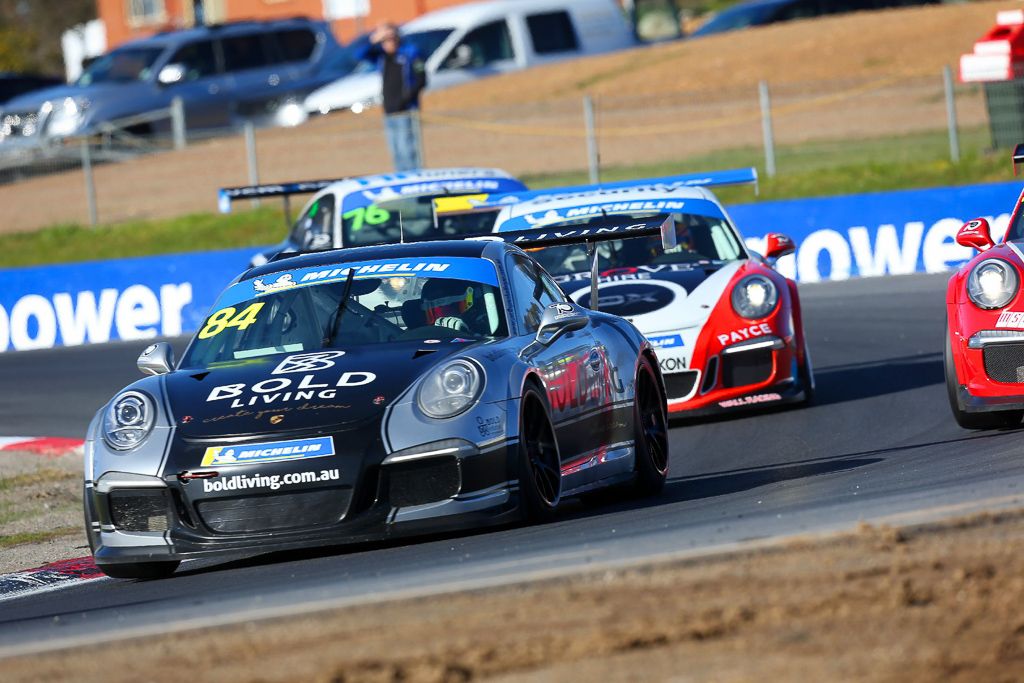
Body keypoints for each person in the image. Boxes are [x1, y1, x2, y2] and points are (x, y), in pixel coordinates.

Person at [359, 22, 427, 172]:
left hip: (406, 111)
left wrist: (405, 100)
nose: (388, 42)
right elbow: (360, 54)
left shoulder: (410, 53)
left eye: (390, 38)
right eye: (384, 40)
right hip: (389, 112)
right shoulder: (381, 58)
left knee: (408, 152)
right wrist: (373, 40)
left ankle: (415, 184)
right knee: (396, 154)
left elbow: (421, 79)